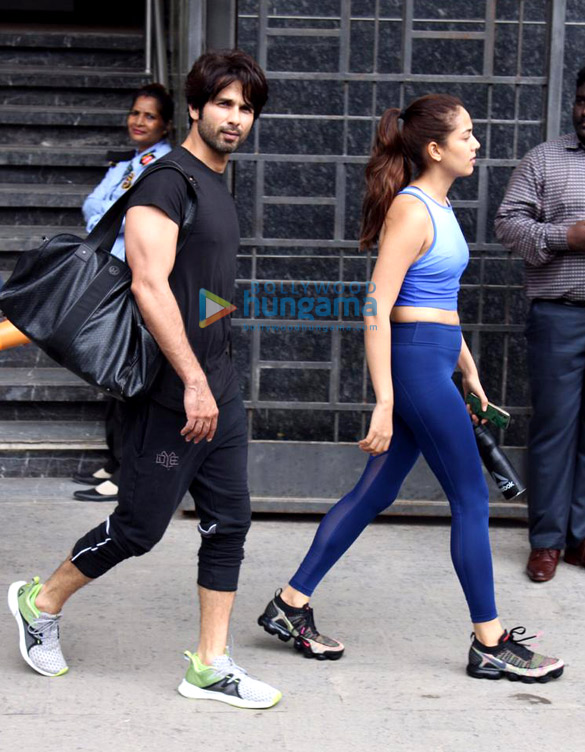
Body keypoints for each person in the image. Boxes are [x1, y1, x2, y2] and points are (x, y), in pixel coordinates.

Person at [258, 94, 564, 683]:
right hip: (416, 369)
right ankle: (491, 642)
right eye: (467, 135)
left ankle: (290, 604)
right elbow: (376, 306)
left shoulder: (442, 207)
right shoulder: (412, 210)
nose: (477, 143)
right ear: (435, 148)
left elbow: (440, 303)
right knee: (472, 499)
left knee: (375, 493)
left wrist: (468, 368)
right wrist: (386, 398)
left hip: (435, 360)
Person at [8, 50, 282, 709]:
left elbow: (204, 290)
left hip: (218, 383)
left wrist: (218, 348)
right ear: (194, 107)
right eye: (223, 103)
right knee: (138, 527)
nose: (234, 118)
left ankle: (210, 664)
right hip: (171, 388)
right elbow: (149, 285)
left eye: (245, 108)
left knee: (230, 520)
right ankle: (38, 603)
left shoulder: (216, 188)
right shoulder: (167, 182)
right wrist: (191, 379)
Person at [495, 66, 585, 583]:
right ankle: (547, 541)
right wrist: (563, 237)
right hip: (559, 317)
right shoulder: (545, 159)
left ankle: (580, 538)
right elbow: (508, 224)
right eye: (580, 99)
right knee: (554, 430)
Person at [73, 83, 173, 503]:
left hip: (139, 277)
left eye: (149, 116)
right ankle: (117, 461)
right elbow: (93, 205)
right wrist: (111, 211)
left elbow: (121, 214)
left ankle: (128, 471)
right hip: (112, 276)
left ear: (166, 124)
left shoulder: (163, 165)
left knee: (128, 375)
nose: (138, 121)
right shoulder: (129, 163)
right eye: (135, 113)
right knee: (111, 371)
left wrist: (111, 212)